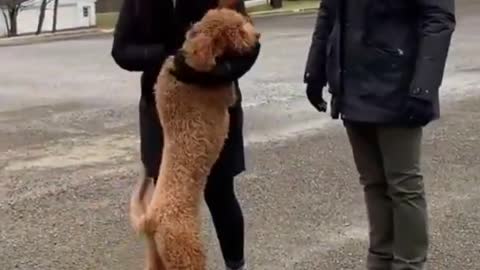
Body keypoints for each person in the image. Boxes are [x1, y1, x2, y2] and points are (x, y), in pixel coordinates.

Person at [304, 1, 455, 269]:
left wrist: (424, 86)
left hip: (399, 84)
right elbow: (329, 11)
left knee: (404, 185)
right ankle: (380, 259)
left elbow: (438, 18)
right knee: (373, 183)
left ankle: (408, 264)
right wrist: (314, 70)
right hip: (351, 83)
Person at [110, 0, 261, 268]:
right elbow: (122, 51)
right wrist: (172, 56)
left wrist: (218, 71)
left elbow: (249, 42)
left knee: (221, 191)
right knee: (165, 202)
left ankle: (236, 265)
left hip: (213, 107)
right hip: (162, 108)